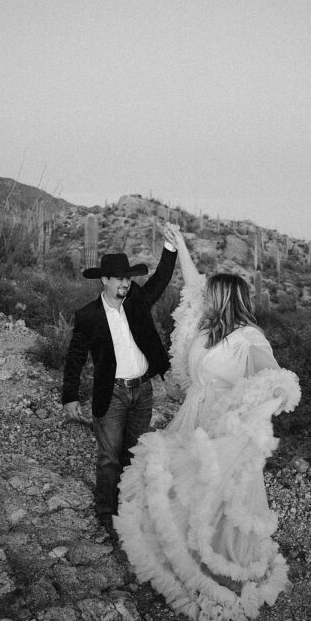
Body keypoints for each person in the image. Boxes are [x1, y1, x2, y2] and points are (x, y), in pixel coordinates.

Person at [114, 222, 300, 621]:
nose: (204, 298)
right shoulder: (206, 326)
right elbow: (193, 282)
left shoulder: (250, 338)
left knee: (214, 489)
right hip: (193, 413)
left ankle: (213, 561)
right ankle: (179, 550)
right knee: (185, 482)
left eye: (212, 295)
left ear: (225, 299)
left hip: (222, 421)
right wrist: (179, 244)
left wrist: (261, 404)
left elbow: (273, 377)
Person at [62, 227, 178, 539]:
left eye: (128, 278)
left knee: (134, 454)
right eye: (119, 278)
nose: (125, 283)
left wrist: (170, 246)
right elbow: (75, 356)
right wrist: (70, 396)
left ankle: (129, 510)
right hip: (111, 393)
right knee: (109, 458)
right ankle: (106, 515)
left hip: (143, 390)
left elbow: (160, 280)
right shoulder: (89, 315)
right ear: (104, 280)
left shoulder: (137, 300)